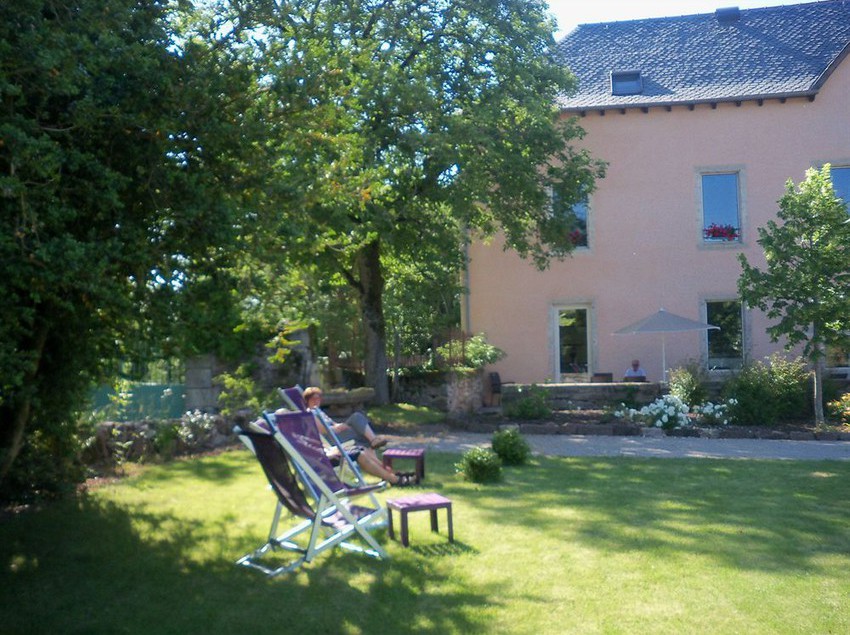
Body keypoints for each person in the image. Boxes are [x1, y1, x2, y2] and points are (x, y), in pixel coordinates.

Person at [302, 386, 388, 449]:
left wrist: (340, 425)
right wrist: (336, 428)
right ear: (307, 400)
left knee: (360, 422)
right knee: (357, 420)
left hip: (336, 433)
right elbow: (323, 431)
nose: (316, 401)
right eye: (313, 399)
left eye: (318, 399)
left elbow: (333, 423)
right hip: (331, 438)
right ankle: (373, 440)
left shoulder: (319, 411)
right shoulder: (310, 413)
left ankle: (374, 443)